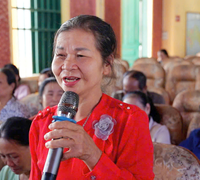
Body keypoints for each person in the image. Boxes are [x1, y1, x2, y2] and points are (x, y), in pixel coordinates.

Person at [29, 15, 154, 179]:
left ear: (107, 65)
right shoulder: (41, 123)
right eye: (60, 55)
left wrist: (93, 155)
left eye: (80, 56)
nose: (67, 65)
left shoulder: (130, 121)